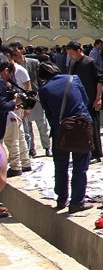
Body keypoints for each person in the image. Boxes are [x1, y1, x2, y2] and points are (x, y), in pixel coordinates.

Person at [37, 62, 95, 213]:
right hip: (81, 127)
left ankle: (62, 199)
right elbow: (85, 100)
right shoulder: (74, 79)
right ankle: (77, 202)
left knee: (61, 166)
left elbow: (49, 113)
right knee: (80, 167)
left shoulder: (43, 90)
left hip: (60, 130)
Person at [10, 42, 52, 158]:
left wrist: (42, 94)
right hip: (21, 98)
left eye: (15, 50)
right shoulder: (12, 66)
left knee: (42, 124)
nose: (14, 53)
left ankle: (47, 147)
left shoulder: (34, 62)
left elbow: (40, 79)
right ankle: (31, 149)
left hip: (35, 97)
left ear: (22, 50)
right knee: (27, 126)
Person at [66, 41, 103, 162]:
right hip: (78, 101)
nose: (70, 56)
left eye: (72, 54)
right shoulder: (73, 63)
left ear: (78, 51)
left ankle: (96, 153)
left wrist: (98, 98)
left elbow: (100, 80)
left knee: (93, 127)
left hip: (91, 99)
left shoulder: (90, 62)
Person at [2, 46, 31, 177]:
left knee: (13, 138)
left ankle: (18, 164)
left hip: (12, 110)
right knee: (17, 136)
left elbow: (27, 89)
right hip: (11, 108)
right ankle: (23, 163)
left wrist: (24, 106)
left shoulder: (19, 70)